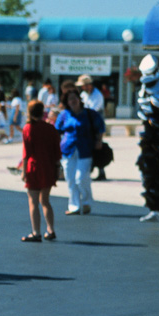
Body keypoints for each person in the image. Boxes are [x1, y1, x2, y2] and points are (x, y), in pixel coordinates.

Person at [55, 88, 105, 216]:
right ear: (66, 102)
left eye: (74, 98)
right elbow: (57, 131)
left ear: (79, 99)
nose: (73, 101)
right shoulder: (64, 115)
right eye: (70, 99)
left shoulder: (89, 114)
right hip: (68, 149)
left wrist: (99, 140)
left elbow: (100, 127)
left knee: (81, 178)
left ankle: (87, 202)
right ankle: (74, 206)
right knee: (70, 179)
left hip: (85, 149)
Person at [20, 100, 60, 242]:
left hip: (34, 167)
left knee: (33, 201)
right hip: (48, 167)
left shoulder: (28, 128)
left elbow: (26, 153)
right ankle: (50, 229)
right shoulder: (50, 128)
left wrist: (23, 172)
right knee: (46, 201)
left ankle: (36, 232)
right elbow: (57, 150)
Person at [76, 75, 107, 180]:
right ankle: (88, 170)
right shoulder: (84, 94)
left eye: (83, 86)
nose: (82, 88)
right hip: (87, 123)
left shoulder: (97, 95)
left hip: (96, 124)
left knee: (98, 146)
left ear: (89, 85)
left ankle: (101, 171)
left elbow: (94, 110)